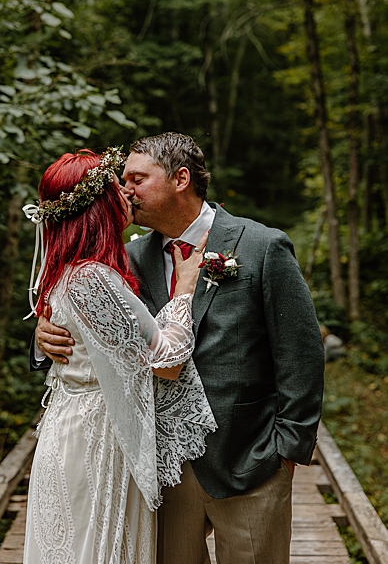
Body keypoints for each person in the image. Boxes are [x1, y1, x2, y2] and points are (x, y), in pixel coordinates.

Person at [35, 133, 325, 564]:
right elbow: (95, 325)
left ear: (180, 179)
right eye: (122, 180)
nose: (125, 190)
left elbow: (301, 354)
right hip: (159, 470)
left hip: (249, 459)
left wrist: (287, 452)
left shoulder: (261, 246)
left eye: (137, 179)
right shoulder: (126, 258)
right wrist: (43, 337)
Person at [22, 147, 212, 564]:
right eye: (116, 188)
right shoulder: (93, 276)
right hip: (97, 436)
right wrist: (183, 290)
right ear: (98, 206)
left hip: (76, 426)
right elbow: (166, 361)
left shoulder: (67, 269)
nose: (126, 194)